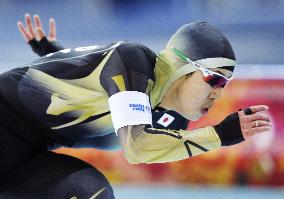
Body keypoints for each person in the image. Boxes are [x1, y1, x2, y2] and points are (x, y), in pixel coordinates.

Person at [0, 14, 271, 198]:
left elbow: (93, 91)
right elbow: (136, 146)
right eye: (214, 78)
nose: (217, 93)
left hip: (29, 152)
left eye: (224, 84)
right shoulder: (134, 61)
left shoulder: (173, 123)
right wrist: (220, 135)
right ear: (181, 67)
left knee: (90, 192)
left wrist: (53, 55)